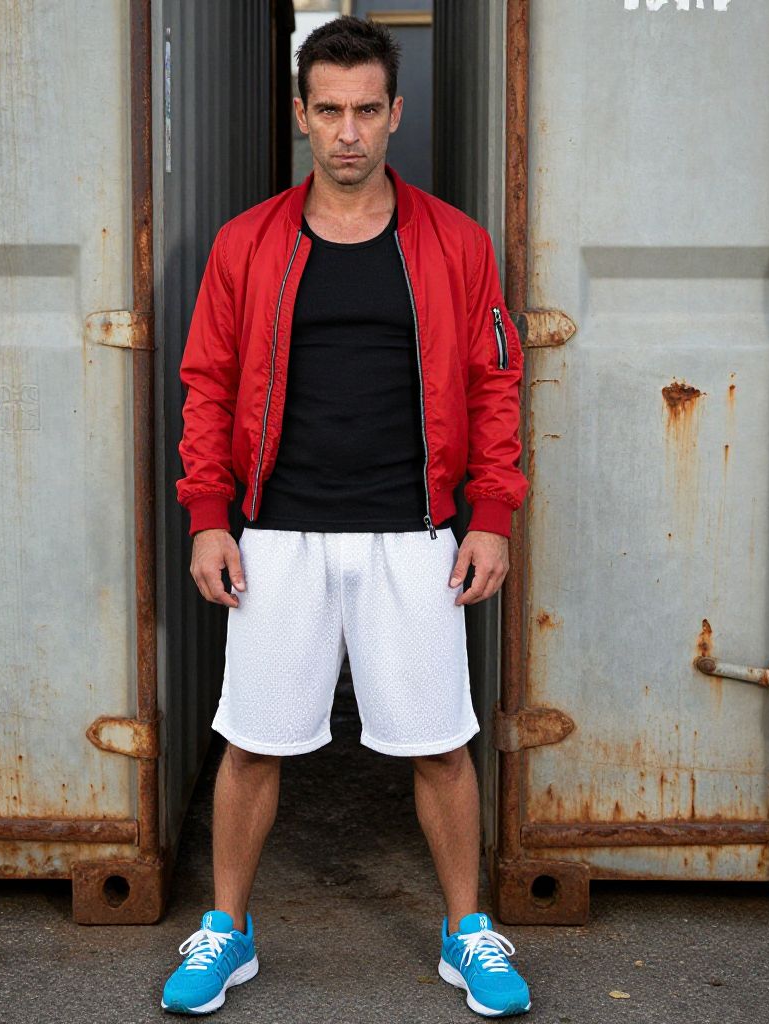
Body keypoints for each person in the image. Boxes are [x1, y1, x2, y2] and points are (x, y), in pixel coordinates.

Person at [163, 15, 530, 1019]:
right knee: (252, 741)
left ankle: (467, 932)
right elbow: (206, 383)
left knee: (439, 742)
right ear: (301, 116)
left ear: (395, 112)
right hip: (276, 531)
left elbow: (495, 383)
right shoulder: (247, 243)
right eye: (329, 110)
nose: (349, 132)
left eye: (367, 109)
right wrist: (208, 514)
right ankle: (227, 930)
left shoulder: (455, 242)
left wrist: (491, 513)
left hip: (414, 530)